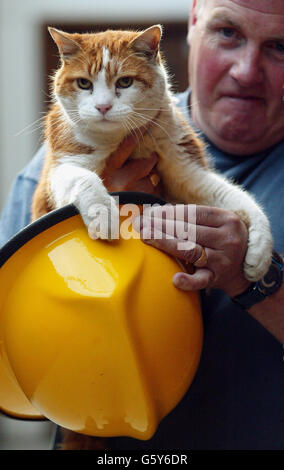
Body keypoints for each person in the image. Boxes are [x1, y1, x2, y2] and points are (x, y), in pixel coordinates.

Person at [0, 0, 284, 450]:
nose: (246, 70)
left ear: (153, 62)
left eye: (278, 46)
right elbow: (13, 358)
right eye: (228, 32)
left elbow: (201, 185)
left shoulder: (169, 134)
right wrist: (79, 230)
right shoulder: (44, 172)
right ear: (193, 21)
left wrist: (263, 282)